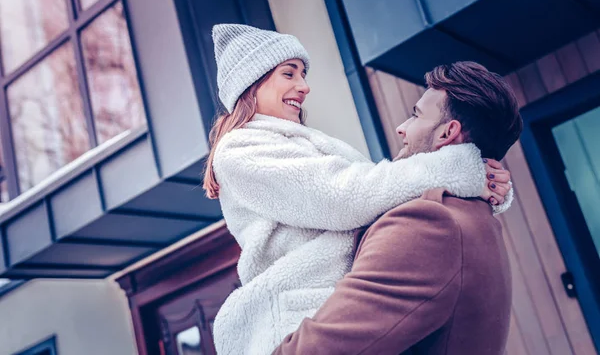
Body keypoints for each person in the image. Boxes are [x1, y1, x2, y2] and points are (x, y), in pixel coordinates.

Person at [203, 24, 511, 355]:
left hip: (336, 311)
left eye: (303, 74)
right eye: (289, 74)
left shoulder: (302, 141)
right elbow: (344, 197)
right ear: (251, 82)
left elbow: (376, 194)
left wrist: (478, 182)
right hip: (301, 320)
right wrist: (457, 168)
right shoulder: (240, 149)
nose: (304, 87)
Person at [273, 61, 523, 355]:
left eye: (415, 115)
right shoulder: (474, 219)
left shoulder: (429, 225)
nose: (401, 128)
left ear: (447, 133)